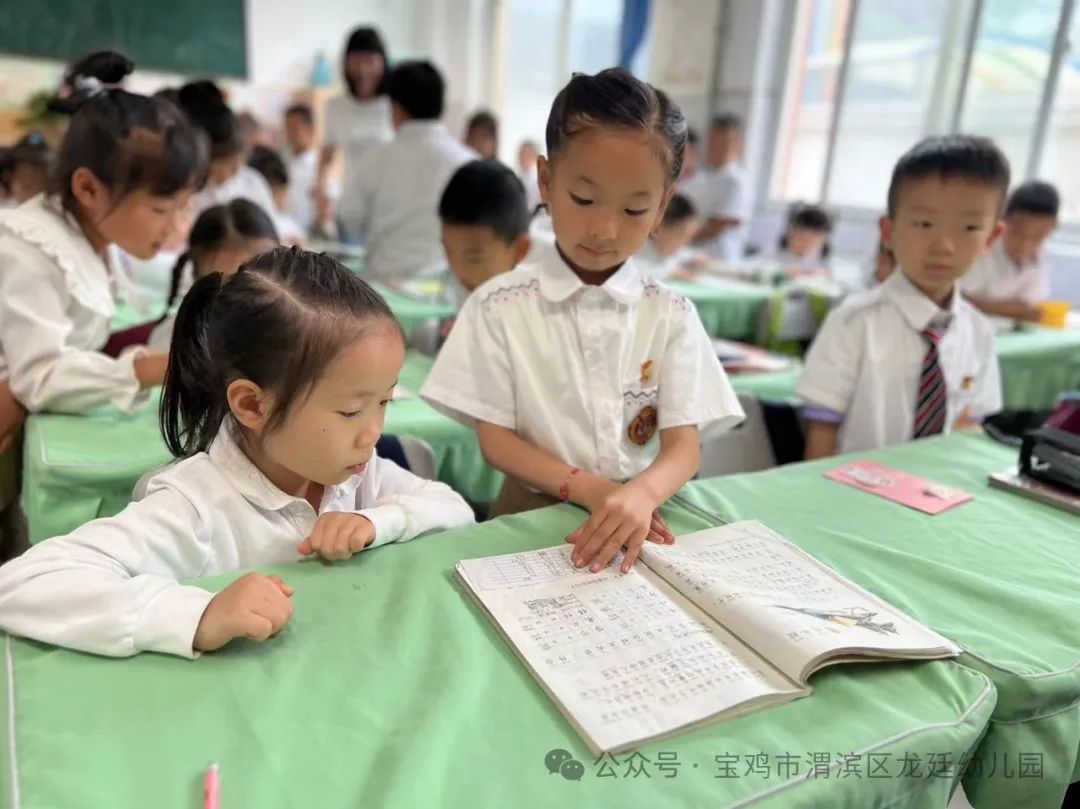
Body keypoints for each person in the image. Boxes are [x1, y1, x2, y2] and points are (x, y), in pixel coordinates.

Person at [0, 248, 475, 658]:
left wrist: (377, 522)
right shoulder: (196, 505)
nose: (374, 432)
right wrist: (198, 612)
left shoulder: (353, 474)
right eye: (352, 411)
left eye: (385, 402)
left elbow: (455, 512)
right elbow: (23, 584)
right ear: (251, 404)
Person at [422, 68, 742, 574]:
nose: (604, 229)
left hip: (644, 517)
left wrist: (641, 494)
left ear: (662, 207)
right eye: (584, 199)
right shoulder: (498, 305)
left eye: (636, 209)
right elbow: (496, 439)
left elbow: (684, 447)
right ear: (546, 181)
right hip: (528, 515)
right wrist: (590, 488)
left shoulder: (670, 313)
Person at [797, 135, 1007, 458]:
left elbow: (969, 428)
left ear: (991, 238)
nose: (944, 246)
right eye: (924, 223)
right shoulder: (853, 321)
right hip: (852, 493)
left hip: (937, 495)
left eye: (968, 228)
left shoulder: (979, 331)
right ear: (888, 232)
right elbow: (822, 432)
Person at [345, 61, 476, 280]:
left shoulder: (374, 160)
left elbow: (349, 217)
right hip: (443, 293)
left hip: (384, 288)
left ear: (395, 108)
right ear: (442, 107)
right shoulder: (468, 164)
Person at [411, 160, 531, 356]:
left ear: (519, 250)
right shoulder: (443, 284)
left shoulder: (534, 307)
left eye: (474, 257)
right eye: (448, 251)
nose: (458, 268)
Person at [149, 199, 279, 350]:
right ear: (196, 280)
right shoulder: (175, 341)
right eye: (228, 289)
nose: (247, 301)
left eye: (260, 282)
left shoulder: (296, 330)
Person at [316, 27, 393, 239]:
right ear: (346, 63)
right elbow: (326, 155)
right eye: (356, 61)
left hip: (389, 209)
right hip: (350, 209)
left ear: (383, 62)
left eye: (370, 61)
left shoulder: (394, 106)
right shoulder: (336, 106)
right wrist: (321, 192)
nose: (363, 70)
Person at [962, 180, 1060, 322]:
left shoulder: (1040, 257)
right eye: (1017, 233)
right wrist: (1012, 310)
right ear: (1002, 220)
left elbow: (1032, 307)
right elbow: (957, 300)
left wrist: (987, 306)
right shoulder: (980, 249)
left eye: (1038, 236)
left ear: (1053, 228)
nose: (1025, 245)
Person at [177, 81, 278, 220]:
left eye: (235, 168)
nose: (227, 177)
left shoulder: (253, 183)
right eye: (221, 169)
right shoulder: (187, 193)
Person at [692, 114, 750, 262]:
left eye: (723, 143)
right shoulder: (705, 176)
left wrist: (679, 237)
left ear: (737, 146)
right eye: (713, 142)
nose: (715, 149)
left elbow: (716, 226)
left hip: (721, 259)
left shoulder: (736, 181)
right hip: (697, 256)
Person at [635, 193, 700, 280]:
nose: (686, 242)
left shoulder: (666, 249)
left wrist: (696, 259)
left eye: (689, 237)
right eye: (682, 236)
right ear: (657, 228)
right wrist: (669, 273)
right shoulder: (635, 254)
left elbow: (684, 254)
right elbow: (639, 271)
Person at [282, 103, 319, 233]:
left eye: (294, 128)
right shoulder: (283, 162)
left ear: (310, 129)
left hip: (307, 234)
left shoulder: (318, 168)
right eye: (287, 128)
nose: (289, 134)